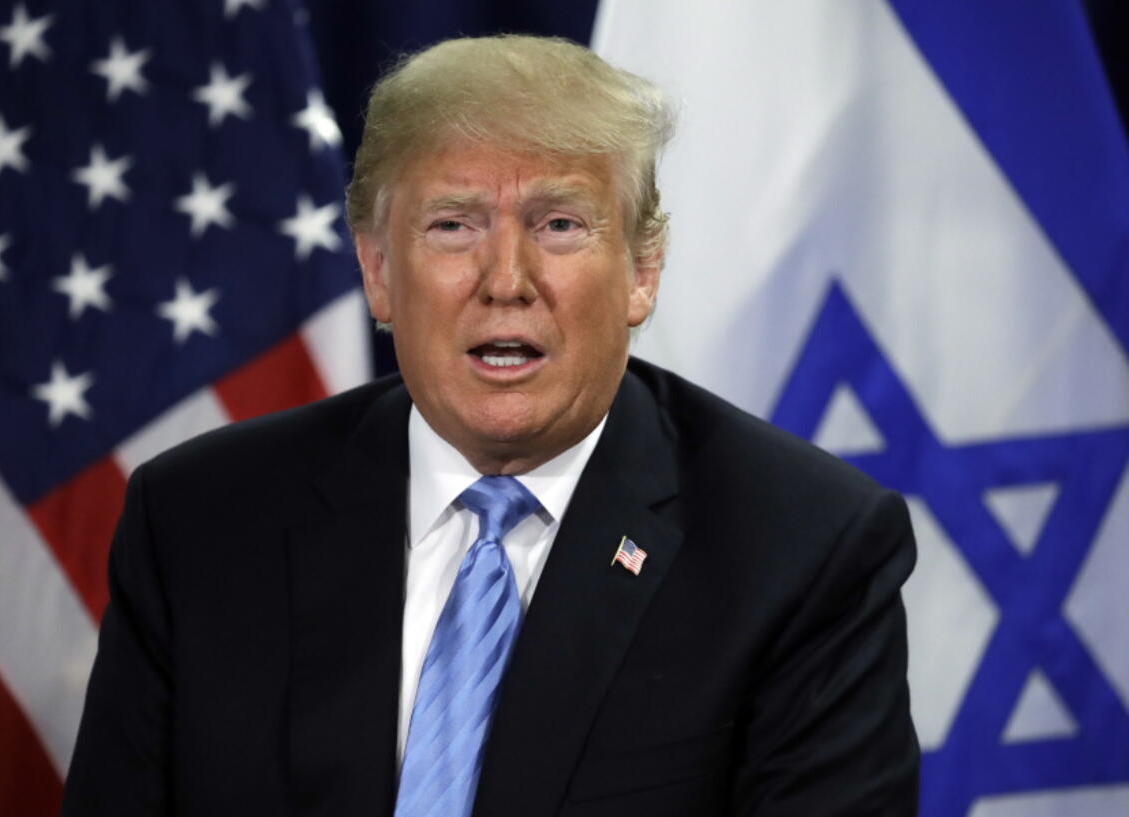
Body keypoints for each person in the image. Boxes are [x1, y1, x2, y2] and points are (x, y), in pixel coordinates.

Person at [62, 35, 919, 817]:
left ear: (642, 271)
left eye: (558, 225)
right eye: (453, 225)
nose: (506, 279)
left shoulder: (801, 549)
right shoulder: (199, 522)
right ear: (377, 270)